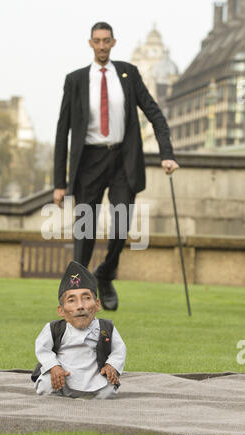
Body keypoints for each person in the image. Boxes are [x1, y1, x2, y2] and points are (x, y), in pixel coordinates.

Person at [53, 22, 179, 311]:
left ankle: (106, 275)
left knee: (121, 227)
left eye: (106, 41)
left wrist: (167, 154)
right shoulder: (75, 80)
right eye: (96, 41)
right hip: (89, 162)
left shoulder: (128, 74)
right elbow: (63, 133)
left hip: (123, 159)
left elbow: (154, 113)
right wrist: (60, 182)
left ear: (113, 43)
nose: (101, 46)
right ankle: (77, 297)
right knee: (84, 232)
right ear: (90, 43)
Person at [33, 261, 126, 399]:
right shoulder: (55, 329)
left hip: (94, 376)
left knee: (109, 388)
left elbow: (119, 349)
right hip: (63, 377)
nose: (80, 306)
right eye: (71, 300)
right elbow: (42, 349)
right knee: (46, 385)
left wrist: (111, 365)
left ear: (97, 304)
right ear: (61, 311)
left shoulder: (106, 328)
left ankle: (94, 395)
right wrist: (54, 367)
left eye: (86, 298)